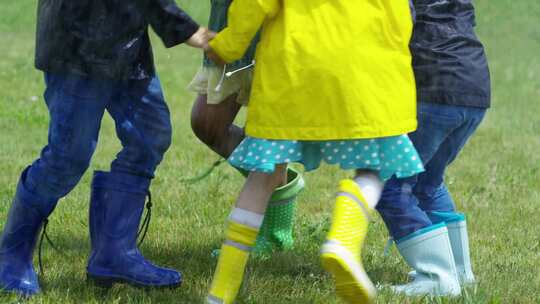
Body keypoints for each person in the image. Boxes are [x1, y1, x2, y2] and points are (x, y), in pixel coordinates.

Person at [203, 0, 420, 303]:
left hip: (292, 74)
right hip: (363, 77)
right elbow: (401, 15)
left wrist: (227, 45)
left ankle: (221, 290)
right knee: (371, 171)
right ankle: (344, 241)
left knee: (263, 176)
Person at [0, 0, 211, 296]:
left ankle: (114, 254)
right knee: (68, 156)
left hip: (128, 44)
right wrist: (185, 29)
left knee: (149, 137)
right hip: (76, 41)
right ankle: (12, 256)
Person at [376, 0, 491, 297]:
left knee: (390, 186)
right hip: (475, 88)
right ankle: (459, 272)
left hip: (434, 91)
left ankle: (436, 277)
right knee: (428, 182)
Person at [188, 0, 304, 255]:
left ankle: (275, 233)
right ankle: (278, 181)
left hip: (278, 33)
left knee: (269, 136)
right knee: (207, 123)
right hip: (231, 23)